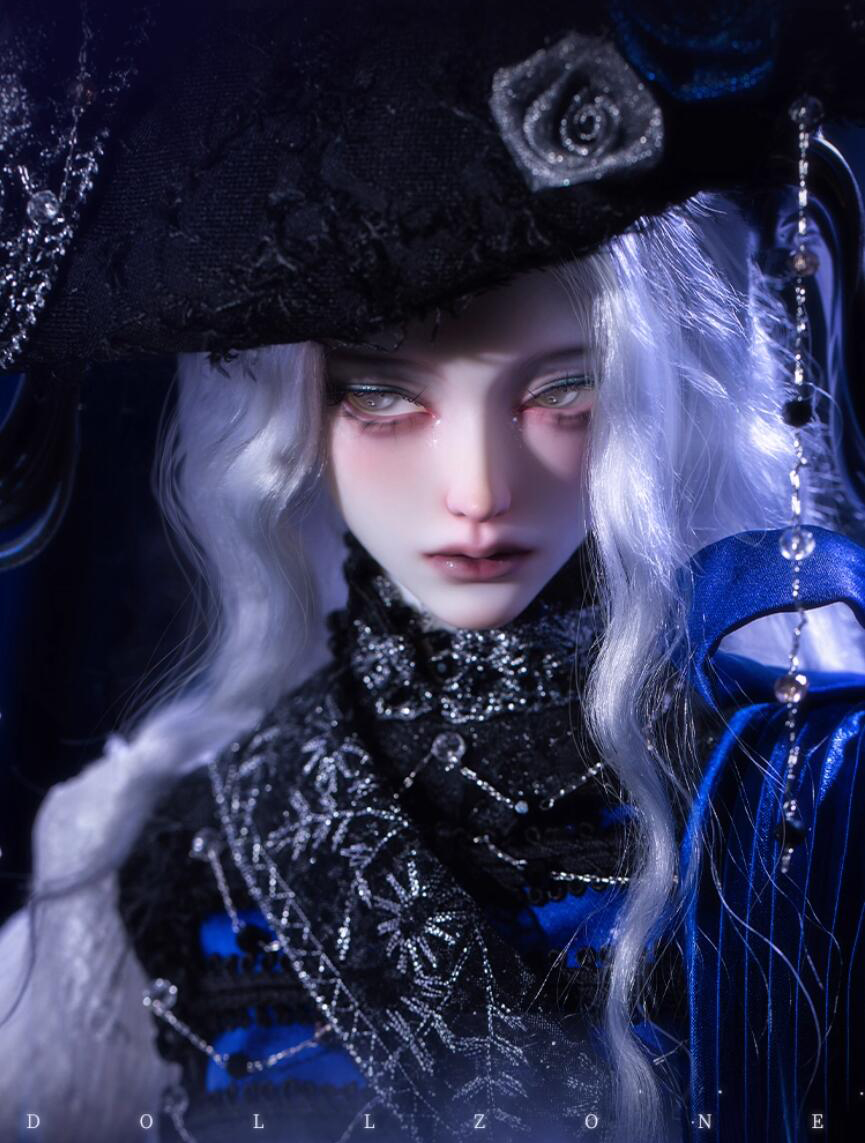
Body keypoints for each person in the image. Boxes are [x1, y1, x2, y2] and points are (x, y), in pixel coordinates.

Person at [3, 189, 865, 1143]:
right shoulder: (151, 847)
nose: (477, 491)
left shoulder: (809, 787)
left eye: (561, 391)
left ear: (648, 391)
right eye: (380, 394)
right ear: (290, 412)